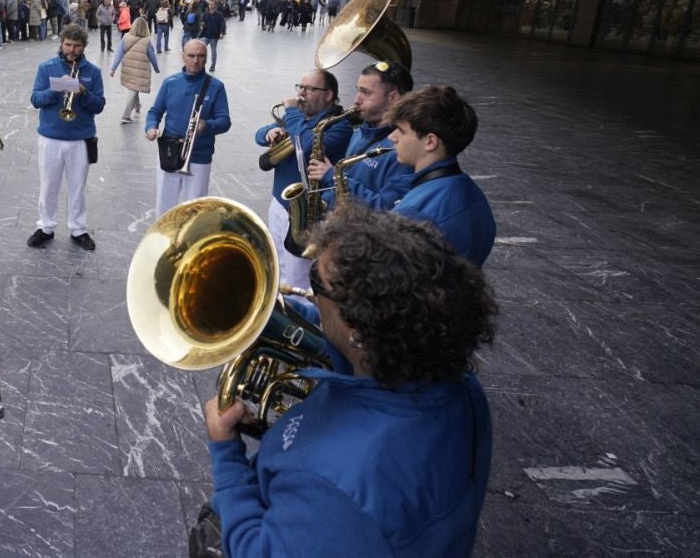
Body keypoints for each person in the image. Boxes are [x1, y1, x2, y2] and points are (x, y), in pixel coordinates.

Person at [204, 206, 496, 557]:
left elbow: (256, 550)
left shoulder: (333, 489)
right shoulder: (459, 385)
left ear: (358, 328)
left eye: (316, 283)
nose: (306, 292)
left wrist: (226, 453)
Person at [254, 69, 353, 290]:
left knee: (298, 277)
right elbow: (260, 134)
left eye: (310, 89)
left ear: (328, 95)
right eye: (300, 87)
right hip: (279, 203)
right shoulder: (296, 117)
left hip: (307, 213)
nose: (302, 93)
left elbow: (306, 145)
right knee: (277, 266)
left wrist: (291, 112)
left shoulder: (339, 125)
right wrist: (270, 134)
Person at [387, 85, 497, 266]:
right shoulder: (476, 196)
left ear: (430, 141)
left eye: (401, 130)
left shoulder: (414, 215)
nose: (392, 137)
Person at [26, 23, 106, 252]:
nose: (71, 50)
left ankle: (78, 229)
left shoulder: (93, 72)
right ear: (61, 43)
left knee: (78, 187)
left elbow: (99, 105)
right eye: (68, 44)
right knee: (48, 185)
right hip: (50, 137)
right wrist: (55, 90)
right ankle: (46, 227)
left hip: (80, 138)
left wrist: (83, 92)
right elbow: (35, 99)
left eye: (77, 46)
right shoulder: (47, 67)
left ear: (84, 47)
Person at [309, 61, 415, 212]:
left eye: (366, 92)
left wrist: (332, 177)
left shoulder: (402, 148)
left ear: (393, 97)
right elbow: (348, 177)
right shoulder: (359, 133)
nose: (356, 100)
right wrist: (325, 203)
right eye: (358, 90)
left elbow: (386, 209)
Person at [145, 40, 232, 216]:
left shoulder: (216, 87)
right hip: (170, 152)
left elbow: (225, 121)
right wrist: (150, 128)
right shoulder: (170, 83)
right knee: (164, 206)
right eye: (191, 56)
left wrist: (207, 125)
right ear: (182, 56)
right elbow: (155, 111)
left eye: (201, 56)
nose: (195, 61)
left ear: (206, 59)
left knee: (195, 210)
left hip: (199, 155)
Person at [109, 16, 159, 124]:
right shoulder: (147, 40)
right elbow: (152, 56)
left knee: (133, 88)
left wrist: (113, 68)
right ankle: (125, 116)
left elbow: (119, 53)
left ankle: (137, 105)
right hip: (140, 70)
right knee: (133, 90)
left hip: (128, 67)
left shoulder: (126, 36)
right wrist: (156, 68)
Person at [198, 2, 227, 73]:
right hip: (205, 35)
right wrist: (201, 25)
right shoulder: (205, 14)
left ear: (215, 6)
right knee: (200, 49)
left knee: (213, 51)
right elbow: (201, 22)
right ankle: (201, 64)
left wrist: (221, 33)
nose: (210, 6)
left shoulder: (219, 14)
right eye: (210, 4)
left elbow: (222, 24)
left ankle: (213, 66)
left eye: (212, 4)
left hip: (214, 36)